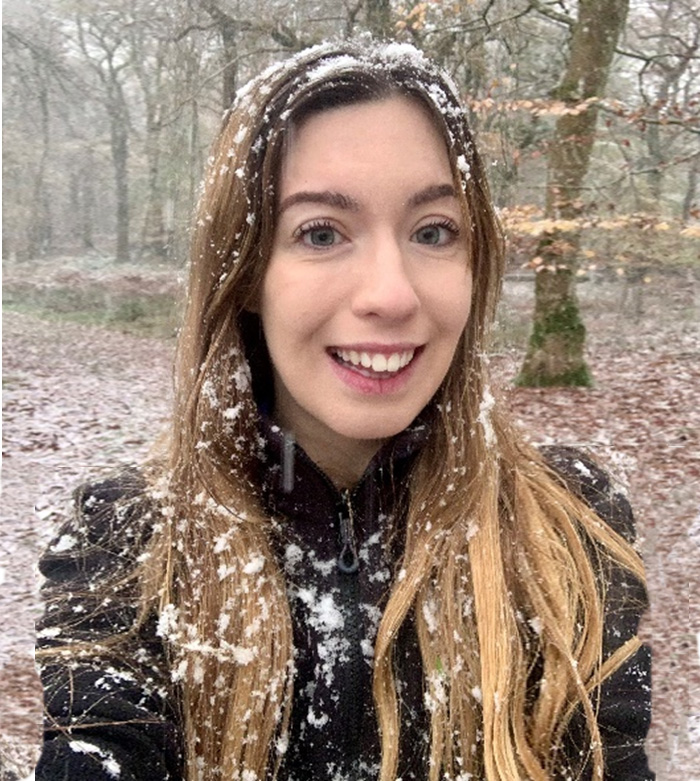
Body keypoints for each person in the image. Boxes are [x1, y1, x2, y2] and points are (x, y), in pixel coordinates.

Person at [35, 40, 653, 781]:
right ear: (247, 271)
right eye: (321, 232)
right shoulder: (128, 544)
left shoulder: (569, 531)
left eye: (433, 231)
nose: (391, 294)